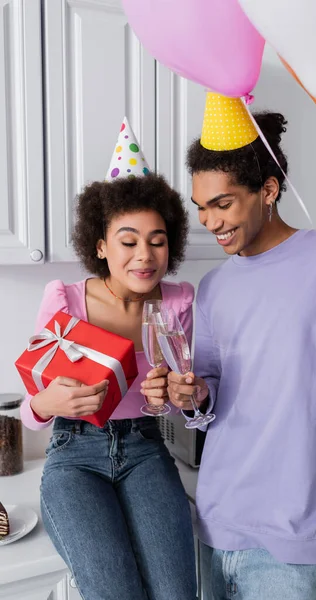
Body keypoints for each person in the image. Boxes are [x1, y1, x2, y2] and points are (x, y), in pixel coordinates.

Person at [167, 93, 316, 600]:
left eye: (223, 204)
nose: (210, 221)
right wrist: (194, 395)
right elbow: (210, 396)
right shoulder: (214, 287)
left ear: (268, 190)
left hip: (292, 537)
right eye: (201, 208)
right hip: (215, 519)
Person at [20, 161, 197, 599]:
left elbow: (187, 397)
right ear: (100, 246)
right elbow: (31, 408)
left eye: (158, 242)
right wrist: (47, 404)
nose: (145, 255)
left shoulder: (177, 305)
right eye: (129, 241)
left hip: (145, 448)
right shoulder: (66, 301)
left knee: (177, 593)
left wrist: (180, 395)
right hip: (73, 455)